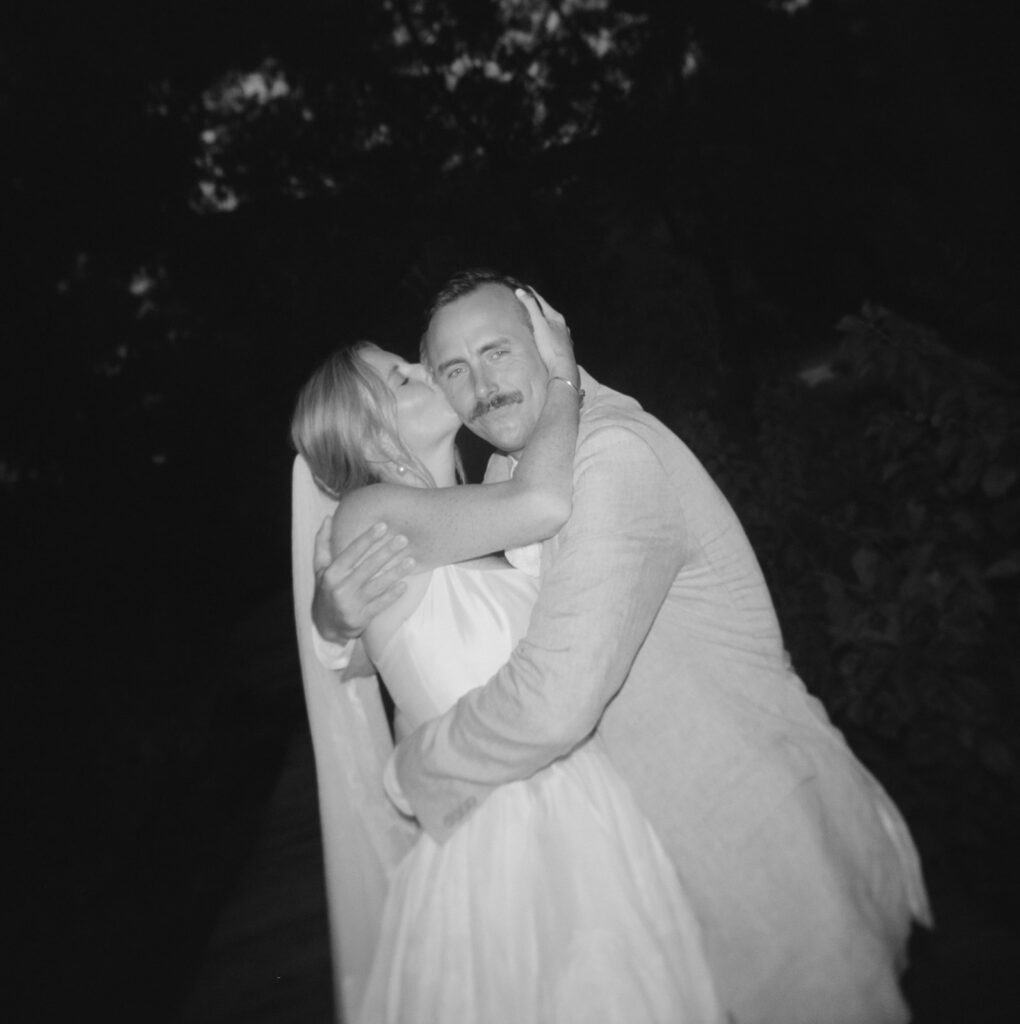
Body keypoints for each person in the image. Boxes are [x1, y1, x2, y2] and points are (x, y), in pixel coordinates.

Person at [314, 269, 932, 1024]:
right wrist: (336, 620)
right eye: (452, 368)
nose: (478, 384)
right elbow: (433, 638)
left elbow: (553, 698)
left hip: (757, 846)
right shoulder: (514, 468)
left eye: (498, 350)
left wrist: (415, 769)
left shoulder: (606, 458)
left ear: (547, 338)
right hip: (621, 858)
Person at [292, 290, 722, 1024]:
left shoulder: (459, 517)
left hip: (587, 806)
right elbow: (545, 504)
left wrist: (336, 630)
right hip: (503, 837)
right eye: (403, 377)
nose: (426, 371)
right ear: (370, 436)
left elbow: (386, 655)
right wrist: (560, 377)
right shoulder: (371, 512)